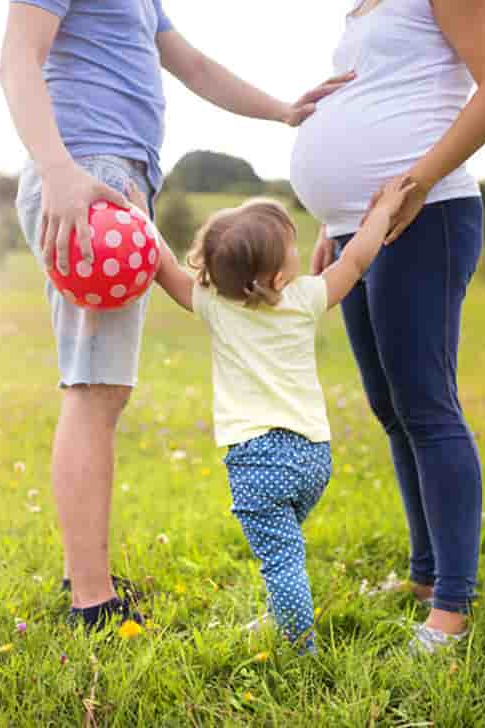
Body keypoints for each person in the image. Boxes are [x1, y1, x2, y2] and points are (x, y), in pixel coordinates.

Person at [0, 1, 353, 629]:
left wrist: (282, 110)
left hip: (112, 179)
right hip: (87, 178)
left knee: (101, 387)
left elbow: (191, 64)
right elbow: (17, 58)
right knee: (94, 387)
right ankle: (91, 600)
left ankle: (87, 576)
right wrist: (59, 172)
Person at [289, 0, 485, 653]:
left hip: (429, 216)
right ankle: (425, 579)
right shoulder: (360, 9)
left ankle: (452, 606)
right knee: (391, 408)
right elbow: (375, 106)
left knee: (427, 406)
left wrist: (419, 180)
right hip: (357, 232)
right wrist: (330, 221)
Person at [144, 178, 415, 652]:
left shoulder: (215, 305)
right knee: (285, 548)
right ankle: (284, 610)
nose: (299, 250)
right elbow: (355, 260)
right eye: (292, 247)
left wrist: (138, 215)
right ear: (274, 278)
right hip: (313, 457)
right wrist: (384, 211)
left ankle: (300, 648)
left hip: (258, 460)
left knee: (282, 557)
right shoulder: (305, 299)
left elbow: (164, 268)